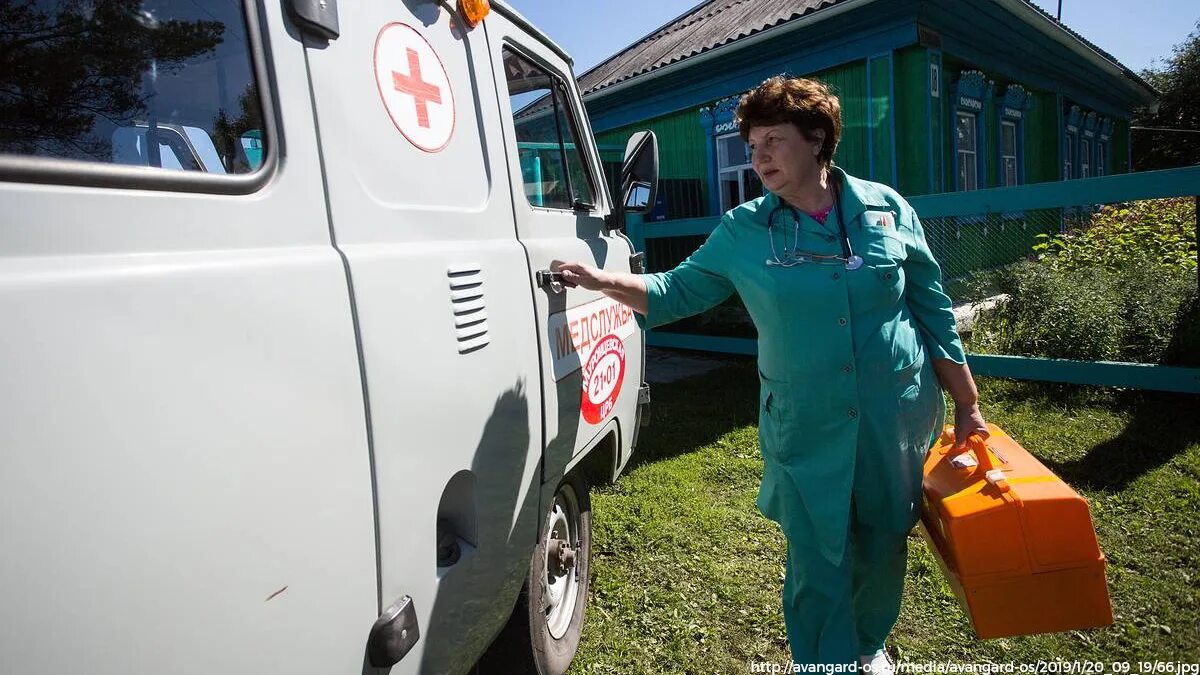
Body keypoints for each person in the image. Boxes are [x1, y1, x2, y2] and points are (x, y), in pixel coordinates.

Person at [558, 76, 989, 670]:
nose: (756, 158)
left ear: (817, 141)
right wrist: (603, 280)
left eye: (772, 142)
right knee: (817, 551)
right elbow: (674, 290)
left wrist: (966, 402)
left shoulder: (888, 210)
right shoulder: (744, 230)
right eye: (752, 144)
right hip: (805, 420)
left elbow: (932, 309)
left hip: (897, 414)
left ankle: (867, 646)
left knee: (885, 540)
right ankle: (822, 661)